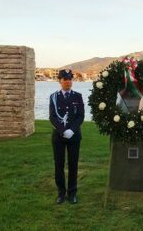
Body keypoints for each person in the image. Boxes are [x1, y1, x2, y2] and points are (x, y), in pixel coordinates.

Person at [49, 69, 85, 204]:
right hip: (59, 136)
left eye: (70, 79)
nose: (68, 82)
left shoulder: (78, 96)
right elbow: (52, 117)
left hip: (74, 136)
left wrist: (72, 130)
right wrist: (63, 130)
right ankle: (61, 193)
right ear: (60, 81)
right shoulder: (54, 97)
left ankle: (72, 193)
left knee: (73, 164)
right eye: (65, 79)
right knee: (59, 165)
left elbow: (80, 116)